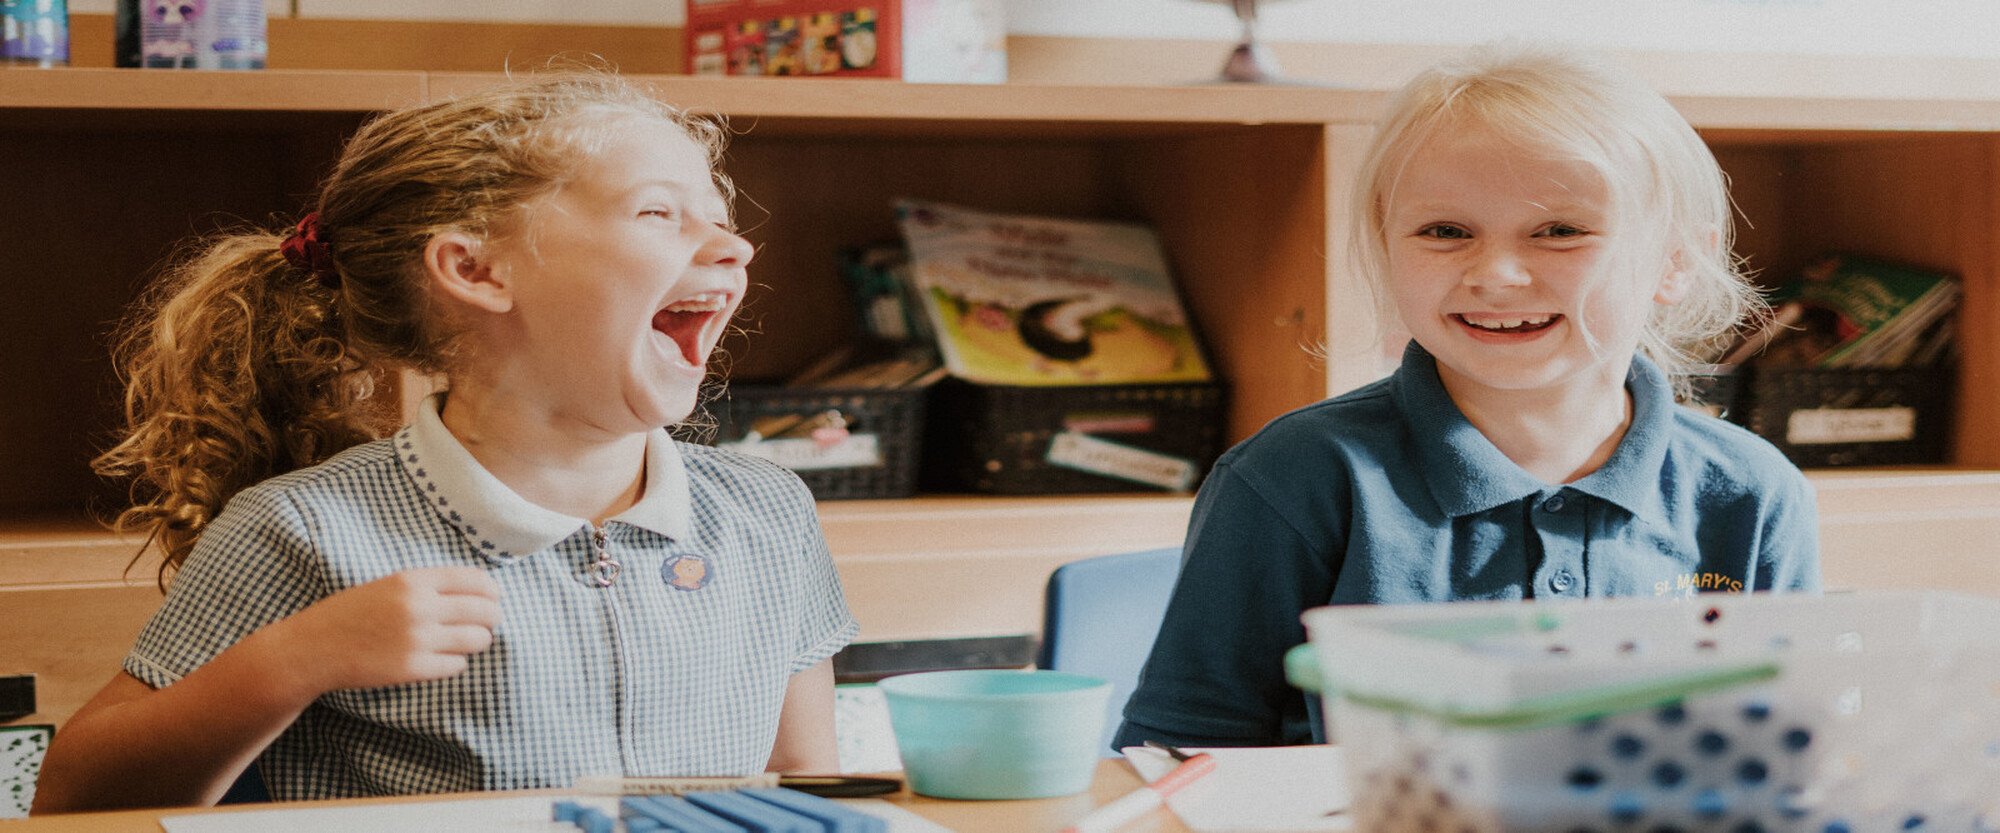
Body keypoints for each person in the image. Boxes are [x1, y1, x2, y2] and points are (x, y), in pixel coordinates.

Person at [33, 71, 857, 811]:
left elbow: (810, 787)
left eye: (720, 217)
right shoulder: (304, 529)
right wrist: (294, 659)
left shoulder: (767, 512)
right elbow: (74, 800)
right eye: (658, 212)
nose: (733, 244)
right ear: (475, 271)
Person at [1113, 43, 1821, 749]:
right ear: (1388, 246)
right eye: (1446, 231)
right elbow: (1178, 754)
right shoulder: (1293, 476)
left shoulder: (1751, 492)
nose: (1498, 274)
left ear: (1674, 263)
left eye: (1560, 232)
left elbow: (1782, 750)